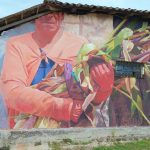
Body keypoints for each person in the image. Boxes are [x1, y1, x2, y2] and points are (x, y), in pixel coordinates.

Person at [1, 12, 114, 128]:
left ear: (62, 15)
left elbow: (92, 100)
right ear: (33, 16)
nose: (48, 15)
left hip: (72, 132)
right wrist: (61, 107)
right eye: (42, 10)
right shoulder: (17, 44)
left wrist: (104, 88)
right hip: (25, 133)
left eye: (55, 11)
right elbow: (12, 93)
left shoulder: (81, 45)